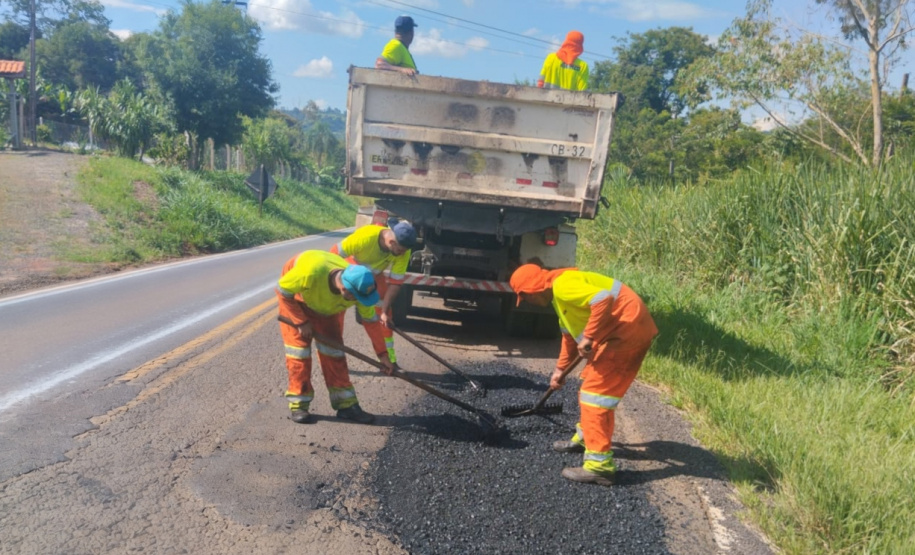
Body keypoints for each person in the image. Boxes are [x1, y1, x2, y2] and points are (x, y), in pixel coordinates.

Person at [510, 264, 657, 486]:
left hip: (627, 331)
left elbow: (602, 299)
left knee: (595, 396)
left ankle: (599, 467)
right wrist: (560, 371)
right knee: (589, 388)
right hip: (621, 331)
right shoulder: (560, 299)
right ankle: (587, 437)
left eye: (526, 298)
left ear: (532, 290)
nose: (528, 302)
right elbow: (569, 338)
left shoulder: (563, 285)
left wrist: (589, 337)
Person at [276, 250, 395, 425]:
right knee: (298, 354)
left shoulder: (358, 284)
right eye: (357, 297)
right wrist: (300, 322)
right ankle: (299, 405)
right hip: (297, 301)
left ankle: (346, 406)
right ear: (345, 288)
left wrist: (383, 355)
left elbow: (370, 322)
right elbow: (283, 290)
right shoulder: (311, 271)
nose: (360, 300)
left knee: (335, 354)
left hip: (326, 309)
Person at [330, 221, 418, 366]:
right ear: (391, 241)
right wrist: (337, 282)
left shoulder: (404, 249)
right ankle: (334, 359)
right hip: (348, 273)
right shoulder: (365, 237)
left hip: (373, 278)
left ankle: (388, 360)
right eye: (400, 250)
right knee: (336, 316)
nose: (402, 254)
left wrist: (383, 310)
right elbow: (332, 255)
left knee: (385, 317)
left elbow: (395, 282)